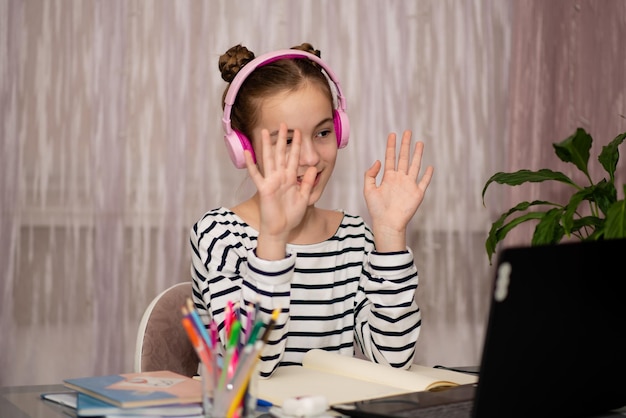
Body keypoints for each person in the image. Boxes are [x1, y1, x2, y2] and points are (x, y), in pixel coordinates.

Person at [190, 42, 434, 379]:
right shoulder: (219, 235)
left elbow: (393, 360)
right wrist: (273, 241)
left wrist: (390, 237)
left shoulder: (352, 238)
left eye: (322, 132)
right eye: (286, 140)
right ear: (243, 149)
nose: (310, 158)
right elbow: (249, 367)